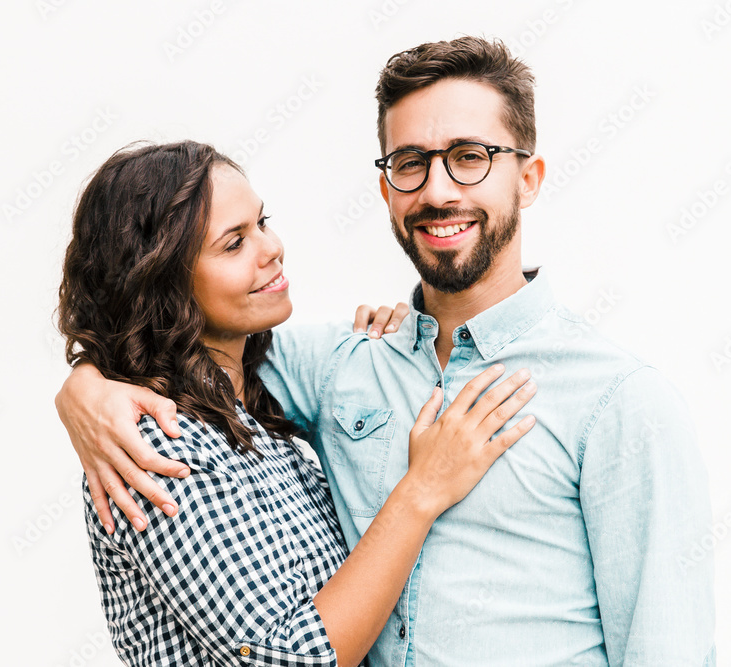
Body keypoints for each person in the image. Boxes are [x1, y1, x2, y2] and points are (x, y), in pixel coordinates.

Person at [57, 38, 716, 666]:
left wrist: (87, 382)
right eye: (411, 163)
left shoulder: (620, 401)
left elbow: (668, 648)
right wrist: (88, 387)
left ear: (529, 177)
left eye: (470, 156)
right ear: (386, 187)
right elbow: (173, 348)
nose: (437, 191)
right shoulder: (334, 365)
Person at [56, 140, 538, 666]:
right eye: (233, 243)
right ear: (161, 281)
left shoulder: (252, 405)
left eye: (262, 223)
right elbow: (291, 658)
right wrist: (422, 490)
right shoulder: (154, 441)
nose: (271, 248)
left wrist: (394, 345)